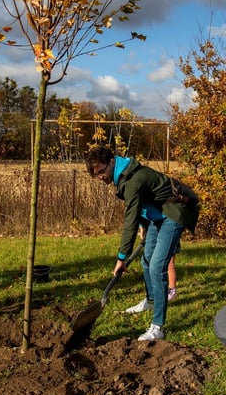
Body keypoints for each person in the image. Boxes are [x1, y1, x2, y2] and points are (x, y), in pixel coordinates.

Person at [85, 145, 199, 341]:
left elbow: (129, 218)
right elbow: (144, 203)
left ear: (112, 162)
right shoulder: (125, 177)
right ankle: (151, 299)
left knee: (157, 267)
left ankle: (158, 327)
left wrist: (122, 257)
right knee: (146, 261)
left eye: (102, 171)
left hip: (174, 214)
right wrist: (143, 225)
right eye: (96, 175)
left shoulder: (133, 180)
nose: (100, 177)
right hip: (158, 216)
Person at [138, 222, 180, 301]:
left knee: (169, 264)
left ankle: (172, 290)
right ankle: (156, 291)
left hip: (169, 234)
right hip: (156, 233)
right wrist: (142, 227)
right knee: (154, 263)